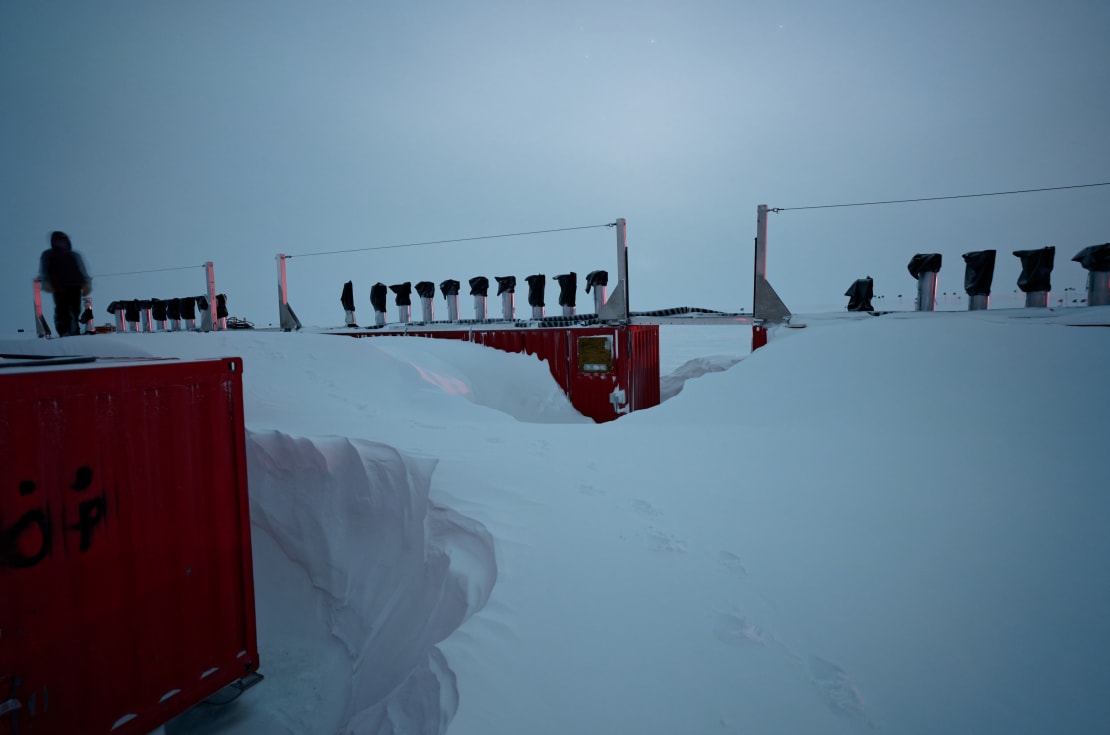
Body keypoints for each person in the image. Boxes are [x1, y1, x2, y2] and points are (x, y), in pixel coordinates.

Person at [38, 230, 92, 336]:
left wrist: (86, 283)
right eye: (58, 241)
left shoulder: (74, 255)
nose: (61, 244)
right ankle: (63, 330)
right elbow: (44, 271)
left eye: (63, 241)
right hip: (59, 287)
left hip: (75, 286)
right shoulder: (49, 255)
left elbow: (82, 270)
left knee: (75, 309)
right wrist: (46, 283)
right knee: (62, 310)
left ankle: (74, 328)